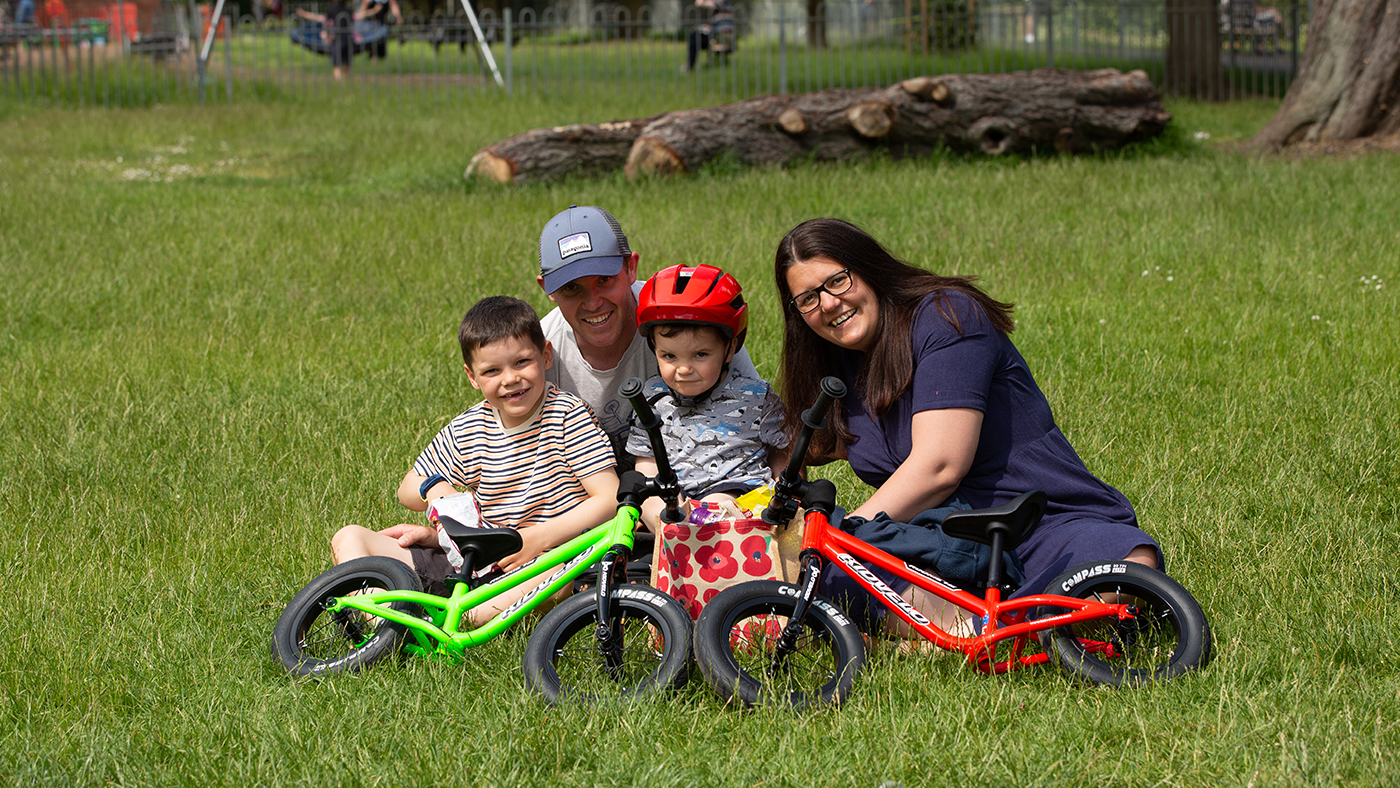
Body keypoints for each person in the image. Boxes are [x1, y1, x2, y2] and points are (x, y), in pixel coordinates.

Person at [773, 218, 1162, 636]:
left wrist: (845, 538)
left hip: (1037, 520)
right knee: (826, 581)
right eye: (808, 299)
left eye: (837, 281)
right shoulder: (834, 371)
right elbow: (789, 444)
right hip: (941, 543)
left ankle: (970, 631)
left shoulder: (946, 317)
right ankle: (1000, 632)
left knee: (1129, 563)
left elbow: (940, 466)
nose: (828, 304)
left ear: (869, 269)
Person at [330, 296, 619, 625]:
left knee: (521, 594)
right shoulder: (471, 427)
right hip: (475, 559)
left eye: (522, 362)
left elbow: (609, 498)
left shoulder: (567, 415)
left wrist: (535, 539)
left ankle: (436, 620)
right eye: (492, 371)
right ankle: (380, 622)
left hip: (545, 559)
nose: (510, 379)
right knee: (349, 537)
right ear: (472, 376)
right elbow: (407, 489)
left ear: (546, 356)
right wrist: (435, 489)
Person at [535, 205, 761, 469]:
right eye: (571, 288)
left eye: (605, 279)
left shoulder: (686, 316)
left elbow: (754, 412)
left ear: (631, 267)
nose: (593, 303)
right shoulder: (536, 353)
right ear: (547, 289)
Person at [625, 264, 790, 529]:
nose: (684, 368)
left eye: (700, 355)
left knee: (718, 502)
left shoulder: (757, 398)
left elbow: (784, 455)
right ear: (654, 348)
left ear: (729, 348)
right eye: (669, 356)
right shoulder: (651, 400)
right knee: (644, 514)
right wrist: (663, 515)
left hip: (740, 502)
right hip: (673, 497)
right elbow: (646, 464)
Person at [295, 0, 354, 80]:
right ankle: (348, 80)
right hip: (348, 38)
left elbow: (323, 20)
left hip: (337, 39)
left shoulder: (332, 9)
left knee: (336, 62)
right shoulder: (348, 10)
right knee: (347, 62)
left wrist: (328, 34)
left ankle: (339, 80)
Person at [682, 0, 733, 73]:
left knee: (695, 38)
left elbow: (699, 3)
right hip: (714, 35)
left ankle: (689, 65)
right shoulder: (721, 6)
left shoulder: (723, 5)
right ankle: (689, 65)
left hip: (720, 38)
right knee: (696, 36)